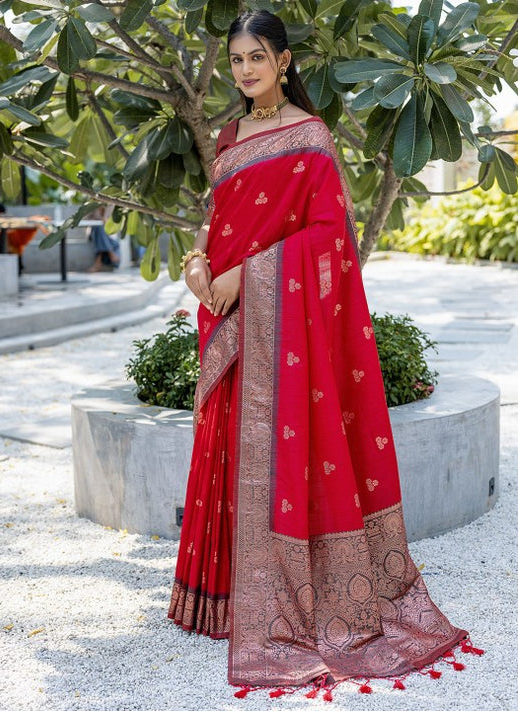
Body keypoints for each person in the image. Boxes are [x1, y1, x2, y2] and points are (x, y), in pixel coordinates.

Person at [168, 9, 479, 698]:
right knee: (228, 445)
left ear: (283, 61)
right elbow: (216, 223)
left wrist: (241, 276)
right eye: (237, 59)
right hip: (227, 317)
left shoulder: (308, 136)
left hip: (276, 321)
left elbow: (328, 239)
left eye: (258, 57)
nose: (246, 70)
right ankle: (219, 599)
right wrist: (198, 267)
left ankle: (290, 596)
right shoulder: (228, 135)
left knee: (284, 451)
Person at [88, 205, 120, 272]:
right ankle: (110, 253)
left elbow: (108, 221)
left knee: (100, 230)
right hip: (98, 234)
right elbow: (88, 219)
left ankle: (98, 262)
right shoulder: (93, 206)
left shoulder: (111, 205)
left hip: (109, 237)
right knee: (99, 229)